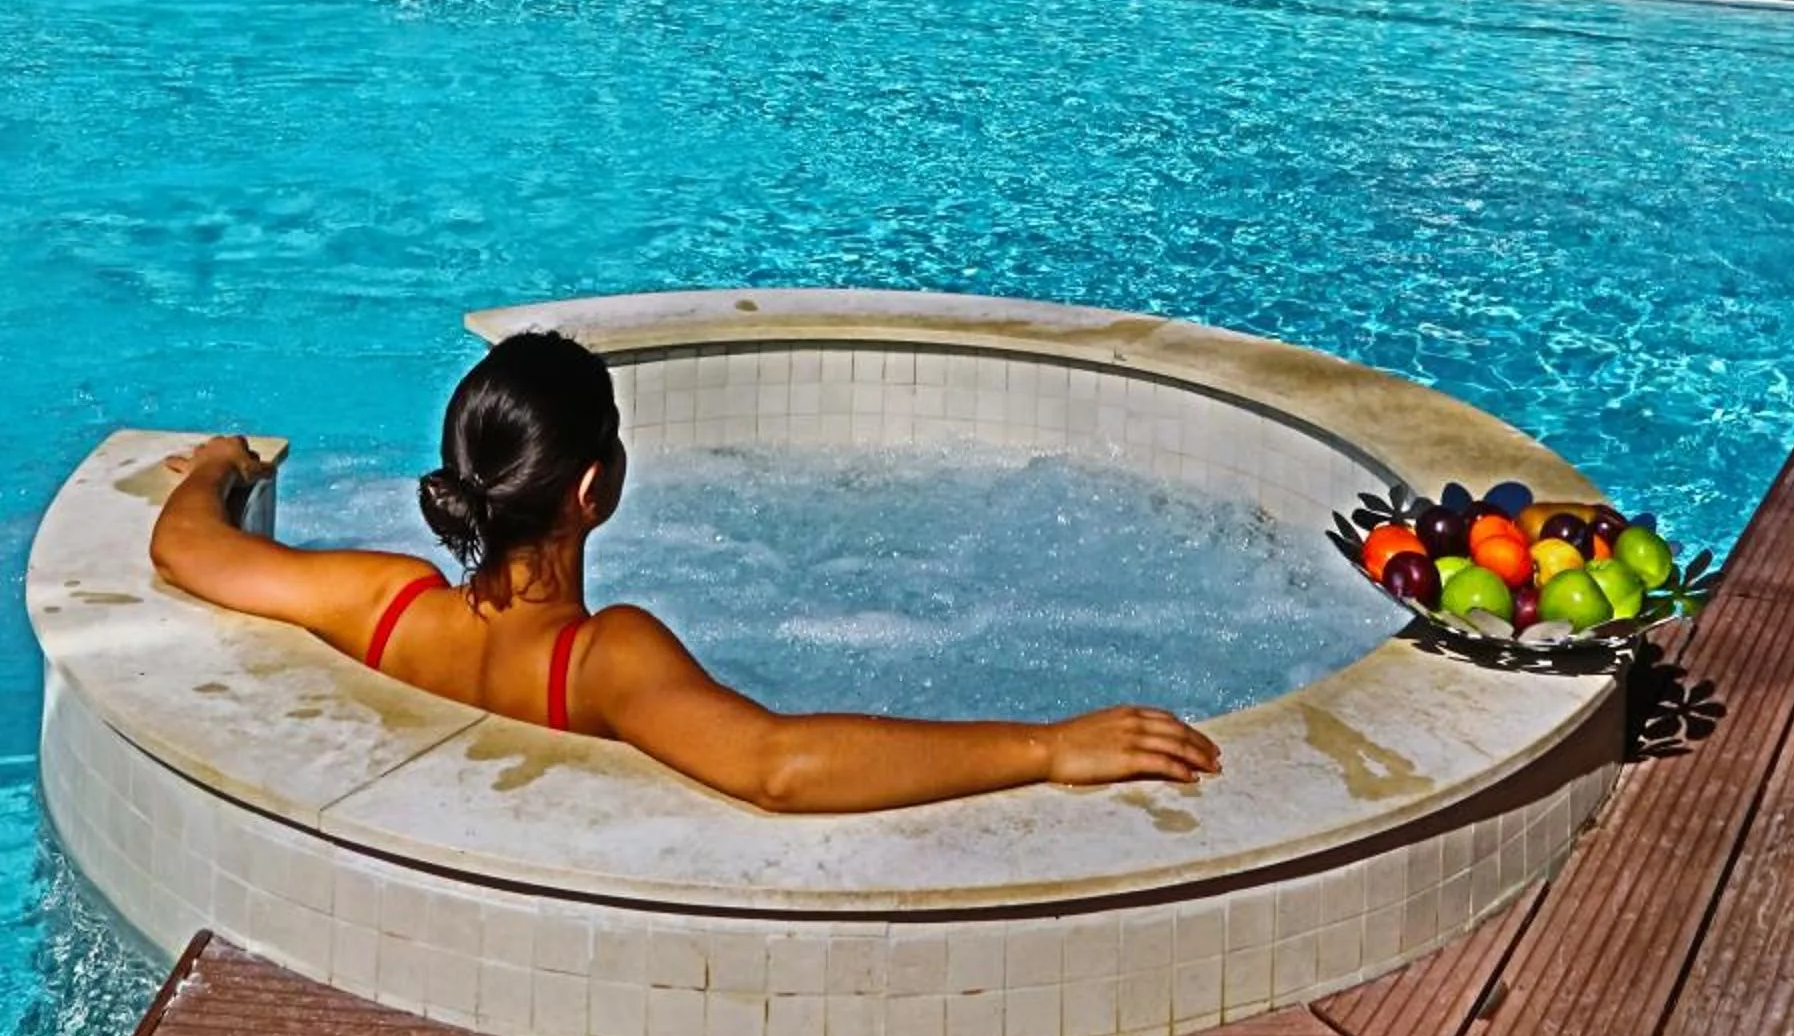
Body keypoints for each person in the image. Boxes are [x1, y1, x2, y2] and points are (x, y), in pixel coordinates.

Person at [150, 329, 1222, 814]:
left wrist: (215, 466)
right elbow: (779, 766)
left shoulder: (382, 602)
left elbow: (189, 548)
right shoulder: (602, 658)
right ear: (593, 488)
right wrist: (1046, 747)